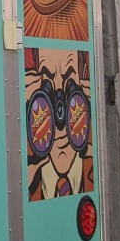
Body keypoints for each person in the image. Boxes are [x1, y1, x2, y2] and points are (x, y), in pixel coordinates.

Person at [25, 46, 93, 200]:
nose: (59, 116)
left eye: (70, 85)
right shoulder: (28, 179)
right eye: (47, 87)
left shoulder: (94, 168)